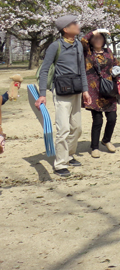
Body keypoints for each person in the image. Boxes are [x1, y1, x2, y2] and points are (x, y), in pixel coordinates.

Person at [36, 15, 90, 178]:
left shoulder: (79, 45)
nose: (77, 25)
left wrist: (85, 90)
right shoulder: (55, 46)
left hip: (76, 90)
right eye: (74, 24)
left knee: (77, 128)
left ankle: (69, 155)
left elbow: (82, 69)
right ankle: (60, 164)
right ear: (65, 29)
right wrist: (42, 94)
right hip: (61, 92)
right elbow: (45, 69)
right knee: (63, 128)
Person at [81, 29, 120, 158]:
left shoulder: (108, 52)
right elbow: (83, 40)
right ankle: (95, 147)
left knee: (112, 118)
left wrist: (119, 73)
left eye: (100, 37)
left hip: (108, 88)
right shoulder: (87, 52)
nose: (98, 40)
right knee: (97, 120)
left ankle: (106, 139)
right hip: (94, 89)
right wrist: (96, 31)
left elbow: (115, 64)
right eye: (95, 38)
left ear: (104, 40)